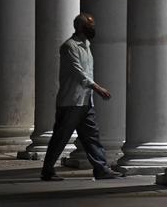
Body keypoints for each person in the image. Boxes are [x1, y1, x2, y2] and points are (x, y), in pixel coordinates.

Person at [41, 13, 117, 181]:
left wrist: (92, 91)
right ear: (80, 27)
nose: (93, 28)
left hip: (85, 101)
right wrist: (97, 88)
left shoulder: (87, 45)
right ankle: (47, 170)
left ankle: (101, 169)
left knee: (92, 136)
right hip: (71, 101)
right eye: (90, 25)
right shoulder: (69, 46)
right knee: (61, 137)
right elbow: (78, 73)